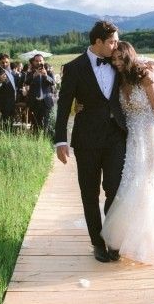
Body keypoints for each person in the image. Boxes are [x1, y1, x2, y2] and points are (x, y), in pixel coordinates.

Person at [101, 41, 154, 265]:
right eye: (114, 59)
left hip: (151, 135)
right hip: (132, 138)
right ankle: (127, 239)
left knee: (148, 183)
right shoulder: (119, 77)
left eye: (120, 58)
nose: (116, 62)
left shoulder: (145, 75)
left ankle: (149, 242)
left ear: (129, 56)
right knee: (131, 182)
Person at [54, 21, 127, 263]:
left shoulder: (119, 63)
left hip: (116, 136)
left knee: (115, 189)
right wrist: (60, 140)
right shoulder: (74, 68)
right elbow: (64, 105)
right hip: (86, 139)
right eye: (112, 41)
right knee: (89, 192)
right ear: (98, 42)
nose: (116, 45)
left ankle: (113, 238)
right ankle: (97, 242)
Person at [25, 54, 55, 134]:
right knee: (35, 125)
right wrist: (34, 76)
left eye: (40, 60)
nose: (39, 62)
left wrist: (45, 76)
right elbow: (26, 82)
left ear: (43, 61)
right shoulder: (30, 73)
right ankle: (36, 143)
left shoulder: (48, 72)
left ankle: (45, 142)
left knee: (46, 125)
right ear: (34, 62)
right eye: (37, 61)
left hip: (46, 102)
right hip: (34, 103)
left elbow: (53, 82)